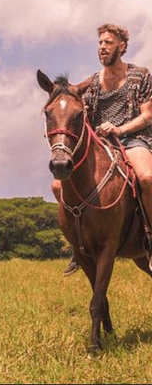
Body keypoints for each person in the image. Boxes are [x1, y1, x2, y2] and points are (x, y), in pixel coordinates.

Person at [51, 23, 152, 267]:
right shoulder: (93, 82)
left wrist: (120, 129)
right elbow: (72, 100)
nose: (103, 47)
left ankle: (150, 236)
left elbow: (148, 115)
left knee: (147, 177)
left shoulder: (140, 75)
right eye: (100, 43)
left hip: (133, 139)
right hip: (101, 145)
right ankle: (79, 245)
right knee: (57, 185)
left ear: (122, 46)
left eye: (108, 42)